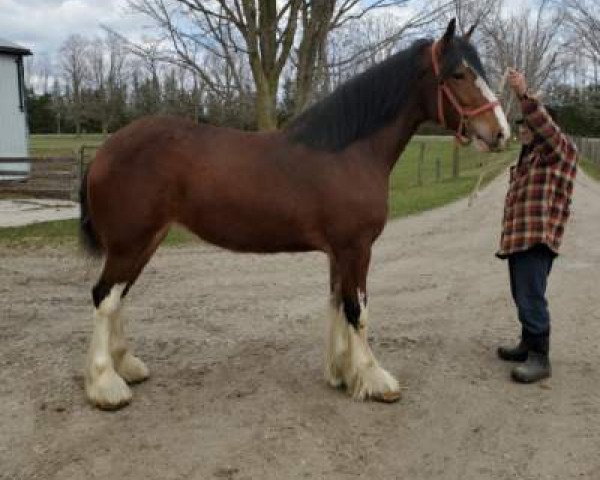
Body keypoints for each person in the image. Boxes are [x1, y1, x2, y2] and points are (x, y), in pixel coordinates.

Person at [496, 68, 578, 383]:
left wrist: (522, 95)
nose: (523, 130)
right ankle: (527, 343)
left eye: (527, 125)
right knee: (522, 293)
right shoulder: (531, 159)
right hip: (519, 240)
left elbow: (545, 127)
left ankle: (540, 357)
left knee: (531, 295)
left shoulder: (560, 152)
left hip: (537, 240)